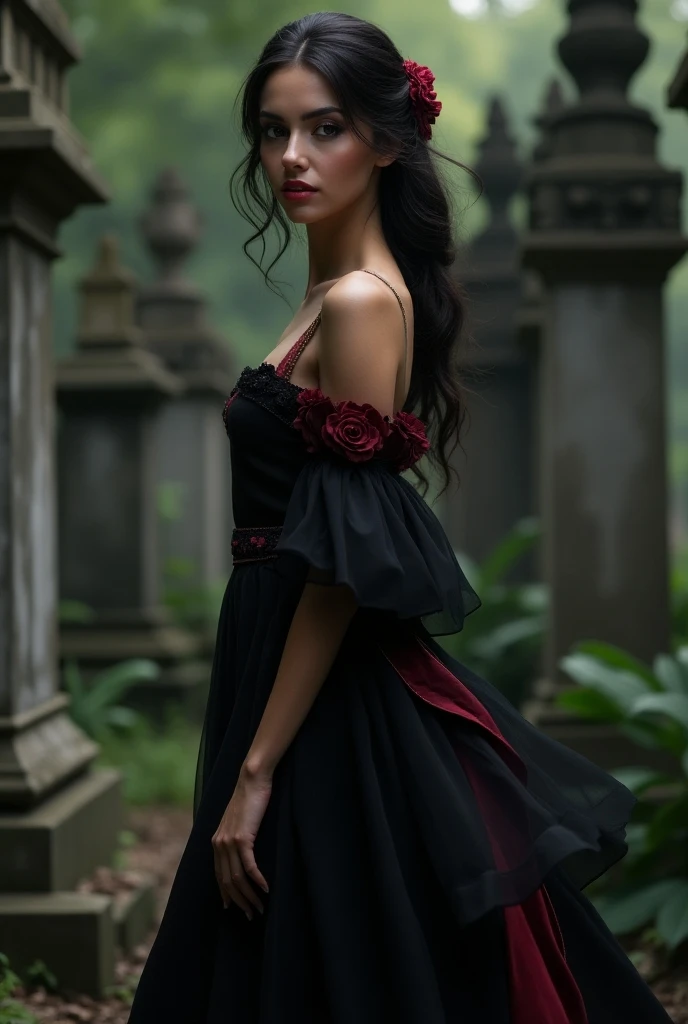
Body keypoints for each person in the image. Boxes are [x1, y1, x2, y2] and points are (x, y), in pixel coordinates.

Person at [127, 12, 674, 1023]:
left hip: (323, 673)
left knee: (332, 935)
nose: (290, 156)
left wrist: (259, 764)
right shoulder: (328, 285)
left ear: (383, 139)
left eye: (323, 128)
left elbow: (343, 557)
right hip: (276, 644)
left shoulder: (361, 303)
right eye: (272, 129)